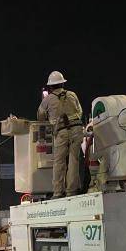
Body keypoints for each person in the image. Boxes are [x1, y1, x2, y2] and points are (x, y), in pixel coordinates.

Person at [37, 70, 84, 198]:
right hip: (77, 129)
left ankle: (58, 192)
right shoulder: (72, 95)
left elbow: (40, 116)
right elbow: (80, 112)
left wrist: (50, 118)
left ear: (50, 86)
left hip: (62, 132)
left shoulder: (48, 99)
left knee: (59, 162)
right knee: (74, 161)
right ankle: (71, 191)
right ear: (63, 84)